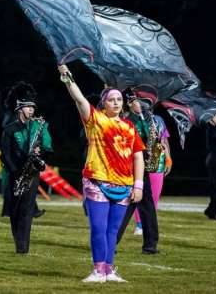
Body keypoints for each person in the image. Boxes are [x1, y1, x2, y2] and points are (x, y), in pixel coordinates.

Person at [59, 65, 144, 283]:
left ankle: (109, 270)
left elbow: (138, 158)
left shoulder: (130, 127)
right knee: (98, 227)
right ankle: (98, 270)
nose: (116, 103)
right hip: (97, 182)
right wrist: (67, 78)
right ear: (103, 103)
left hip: (124, 185)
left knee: (113, 231)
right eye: (111, 100)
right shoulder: (95, 120)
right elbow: (79, 100)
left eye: (118, 99)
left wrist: (139, 185)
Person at [1, 81, 53, 254]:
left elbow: (48, 147)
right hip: (14, 173)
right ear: (19, 108)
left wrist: (41, 154)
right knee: (14, 211)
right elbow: (5, 154)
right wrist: (14, 172)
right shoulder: (9, 129)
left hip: (32, 173)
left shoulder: (40, 125)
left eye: (32, 107)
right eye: (27, 107)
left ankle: (23, 247)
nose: (31, 110)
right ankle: (18, 242)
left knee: (27, 210)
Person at [115, 88, 160, 254]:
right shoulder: (127, 120)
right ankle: (112, 241)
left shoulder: (144, 118)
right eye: (135, 101)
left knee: (146, 206)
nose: (139, 104)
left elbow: (149, 138)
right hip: (130, 167)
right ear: (128, 104)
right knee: (128, 204)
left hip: (143, 167)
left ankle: (150, 245)